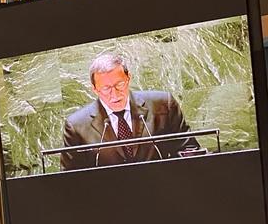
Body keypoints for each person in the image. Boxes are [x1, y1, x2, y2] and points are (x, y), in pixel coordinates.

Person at [61, 54, 200, 171]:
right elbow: (71, 177)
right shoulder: (76, 125)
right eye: (106, 88)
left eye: (119, 84)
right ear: (95, 89)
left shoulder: (163, 104)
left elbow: (189, 148)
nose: (114, 94)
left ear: (128, 79)